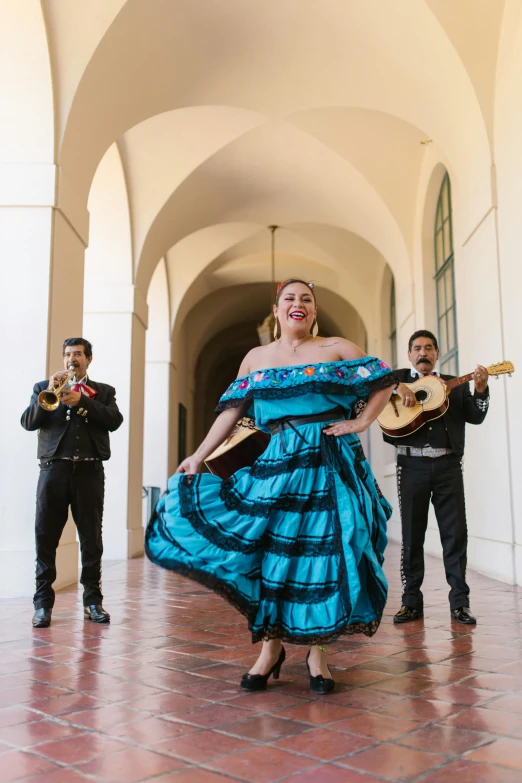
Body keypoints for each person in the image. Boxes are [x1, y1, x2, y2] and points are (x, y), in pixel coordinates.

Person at [146, 279, 397, 693]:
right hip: (279, 462)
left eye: (307, 299)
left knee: (324, 554)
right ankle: (270, 649)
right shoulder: (257, 357)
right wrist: (198, 454)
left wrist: (361, 422)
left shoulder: (336, 347)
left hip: (330, 463)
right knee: (271, 553)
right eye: (289, 299)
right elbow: (232, 410)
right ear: (277, 310)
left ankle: (318, 655)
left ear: (314, 311)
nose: (298, 304)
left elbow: (385, 381)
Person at [384, 330, 490, 625]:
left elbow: (476, 415)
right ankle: (411, 603)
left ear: (437, 352)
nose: (423, 353)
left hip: (448, 467)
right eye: (417, 348)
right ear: (409, 355)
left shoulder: (455, 384)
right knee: (411, 536)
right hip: (411, 466)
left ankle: (460, 603)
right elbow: (371, 381)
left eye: (428, 347)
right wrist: (396, 388)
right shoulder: (397, 378)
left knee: (455, 535)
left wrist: (480, 391)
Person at [21, 338, 123, 628]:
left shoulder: (103, 392)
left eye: (78, 354)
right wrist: (50, 393)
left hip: (90, 472)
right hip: (53, 470)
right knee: (45, 537)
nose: (72, 359)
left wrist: (84, 402)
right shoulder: (43, 387)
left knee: (91, 539)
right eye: (68, 355)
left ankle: (93, 601)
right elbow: (28, 422)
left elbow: (114, 420)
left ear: (88, 359)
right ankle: (42, 605)